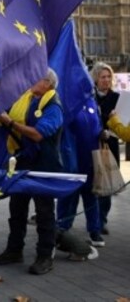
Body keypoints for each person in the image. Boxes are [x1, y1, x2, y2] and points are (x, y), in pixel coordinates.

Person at [0, 69, 63, 276]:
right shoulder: (29, 100)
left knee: (44, 212)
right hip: (24, 161)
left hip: (44, 165)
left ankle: (45, 256)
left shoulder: (53, 106)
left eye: (37, 77)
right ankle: (14, 250)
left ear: (48, 83)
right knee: (17, 208)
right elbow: (13, 118)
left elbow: (39, 134)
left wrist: (10, 122)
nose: (31, 79)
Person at [55, 99, 104, 248]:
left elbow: (97, 125)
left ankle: (94, 230)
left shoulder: (92, 103)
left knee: (91, 195)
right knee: (69, 196)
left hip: (90, 158)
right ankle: (62, 229)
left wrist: (102, 133)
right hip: (72, 158)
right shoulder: (67, 101)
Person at [92, 62, 118, 235]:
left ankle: (101, 221)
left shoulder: (117, 98)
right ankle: (93, 221)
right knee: (91, 187)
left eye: (109, 77)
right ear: (96, 79)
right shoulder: (89, 97)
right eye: (103, 77)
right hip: (91, 145)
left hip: (110, 147)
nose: (106, 80)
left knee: (106, 189)